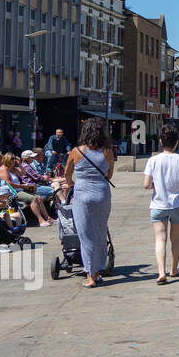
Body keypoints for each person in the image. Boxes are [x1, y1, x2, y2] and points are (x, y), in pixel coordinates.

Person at [64, 118, 115, 288]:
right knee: (100, 232)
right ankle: (98, 270)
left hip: (82, 194)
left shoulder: (76, 151)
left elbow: (67, 174)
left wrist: (72, 183)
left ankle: (90, 275)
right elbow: (109, 175)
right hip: (102, 193)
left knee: (85, 235)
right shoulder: (107, 151)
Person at [144, 124, 179, 284]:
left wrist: (156, 185)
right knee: (176, 239)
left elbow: (146, 184)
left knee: (160, 239)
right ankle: (174, 269)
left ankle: (160, 272)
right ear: (177, 142)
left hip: (158, 205)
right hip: (178, 204)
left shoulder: (153, 160)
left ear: (160, 142)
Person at [0, 153, 53, 226]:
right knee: (34, 198)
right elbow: (9, 185)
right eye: (12, 159)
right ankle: (40, 220)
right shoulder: (4, 170)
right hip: (12, 193)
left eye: (14, 159)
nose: (14, 161)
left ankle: (47, 217)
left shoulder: (11, 169)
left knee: (39, 198)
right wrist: (22, 186)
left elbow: (22, 173)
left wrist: (19, 164)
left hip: (19, 190)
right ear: (7, 160)